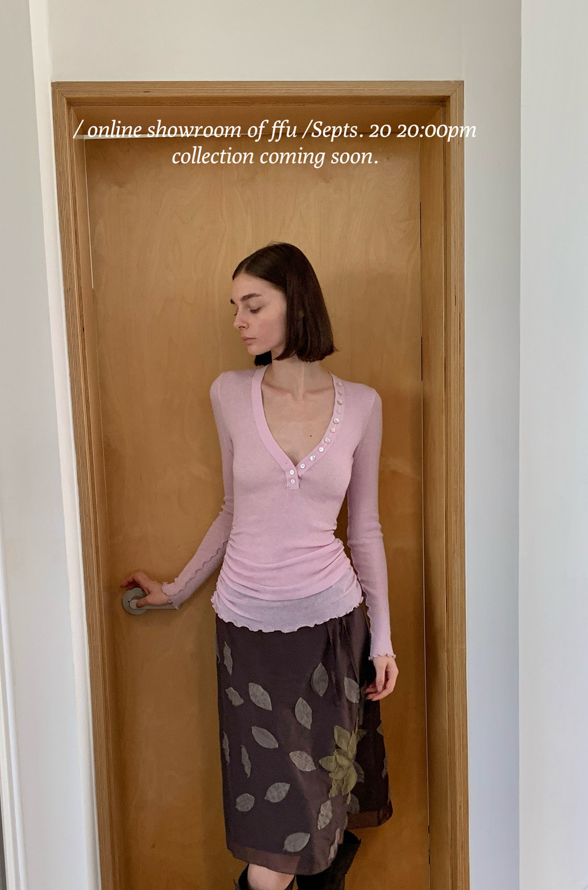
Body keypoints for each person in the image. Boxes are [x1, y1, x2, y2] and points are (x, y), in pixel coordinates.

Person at [120, 242, 398, 890]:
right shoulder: (229, 393)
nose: (238, 321)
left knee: (324, 809)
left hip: (333, 630)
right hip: (247, 637)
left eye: (253, 305)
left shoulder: (363, 404)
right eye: (234, 308)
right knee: (274, 835)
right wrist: (177, 590)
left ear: (295, 303)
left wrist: (382, 641)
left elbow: (364, 530)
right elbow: (231, 511)